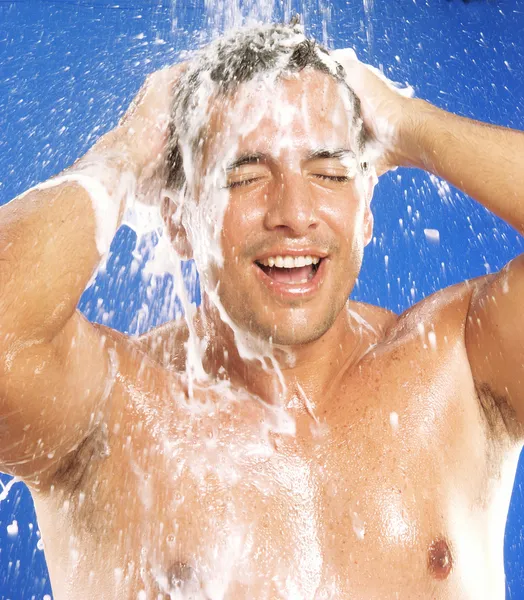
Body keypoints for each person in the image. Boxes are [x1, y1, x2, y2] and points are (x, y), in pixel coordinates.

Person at [1, 21, 523, 600]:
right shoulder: (109, 410)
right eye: (244, 176)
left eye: (329, 173)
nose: (295, 213)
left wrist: (409, 121)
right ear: (179, 222)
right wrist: (123, 155)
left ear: (366, 210)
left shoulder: (459, 365)